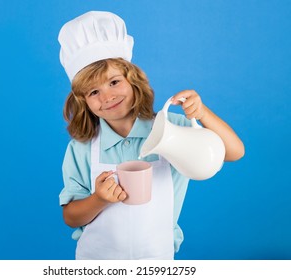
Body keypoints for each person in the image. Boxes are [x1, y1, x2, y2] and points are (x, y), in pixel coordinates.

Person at [58, 11, 244, 260]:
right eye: (93, 92)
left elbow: (234, 152)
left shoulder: (173, 128)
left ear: (133, 80)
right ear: (83, 101)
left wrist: (202, 113)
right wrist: (99, 199)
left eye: (114, 82)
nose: (107, 97)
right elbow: (71, 217)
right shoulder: (81, 148)